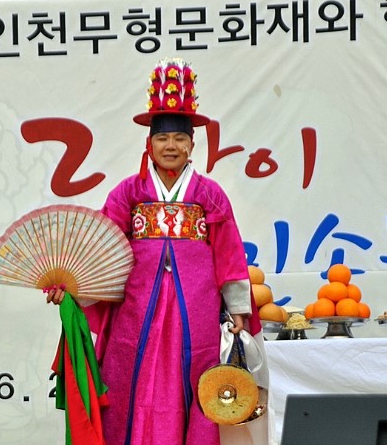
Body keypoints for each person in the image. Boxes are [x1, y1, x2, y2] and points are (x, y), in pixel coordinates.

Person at [47, 57, 261, 445]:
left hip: (193, 309)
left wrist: (239, 309)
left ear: (192, 144)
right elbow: (100, 245)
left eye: (180, 138)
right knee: (128, 376)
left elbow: (228, 252)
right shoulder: (129, 192)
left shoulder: (208, 194)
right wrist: (71, 283)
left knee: (194, 380)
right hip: (136, 306)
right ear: (149, 144)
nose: (171, 146)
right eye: (162, 138)